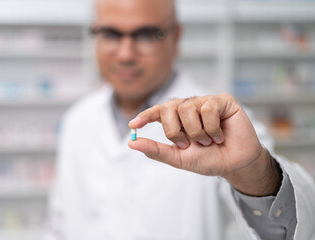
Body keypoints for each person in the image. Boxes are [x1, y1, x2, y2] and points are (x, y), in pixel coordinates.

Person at [46, 0, 315, 239]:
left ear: (176, 37)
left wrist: (254, 172)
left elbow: (291, 224)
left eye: (146, 34)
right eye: (110, 34)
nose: (126, 54)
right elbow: (59, 223)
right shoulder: (77, 119)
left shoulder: (218, 122)